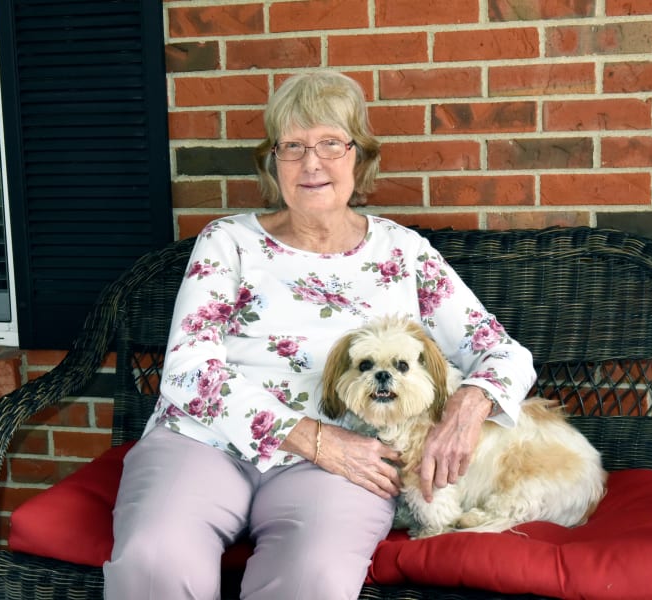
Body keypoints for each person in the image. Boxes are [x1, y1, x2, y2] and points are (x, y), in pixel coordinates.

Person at [103, 70, 536, 600]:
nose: (312, 162)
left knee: (315, 578)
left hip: (349, 460)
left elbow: (503, 353)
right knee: (155, 559)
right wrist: (315, 439)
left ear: (360, 156)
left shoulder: (404, 253)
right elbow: (189, 371)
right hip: (205, 441)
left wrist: (468, 406)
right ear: (273, 162)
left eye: (331, 142)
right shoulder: (228, 241)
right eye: (293, 146)